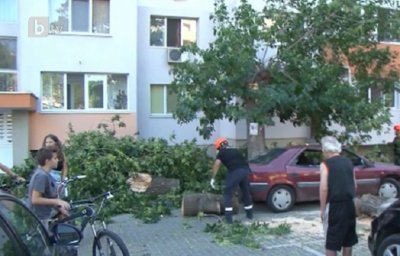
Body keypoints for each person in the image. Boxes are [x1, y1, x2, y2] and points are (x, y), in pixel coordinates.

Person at [319, 136, 358, 256]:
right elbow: (355, 185)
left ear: (325, 150)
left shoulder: (325, 165)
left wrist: (322, 209)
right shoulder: (348, 162)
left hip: (335, 206)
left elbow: (324, 189)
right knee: (348, 240)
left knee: (331, 242)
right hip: (349, 204)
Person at [210, 137, 253, 223]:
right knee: (245, 192)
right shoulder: (235, 150)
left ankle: (228, 219)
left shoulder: (222, 152)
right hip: (246, 171)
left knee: (227, 191)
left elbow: (217, 165)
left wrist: (213, 178)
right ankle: (250, 215)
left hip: (235, 171)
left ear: (219, 146)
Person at [28, 147, 70, 231]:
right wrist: (58, 201)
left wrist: (59, 207)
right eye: (55, 158)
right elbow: (35, 199)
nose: (58, 160)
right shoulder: (41, 176)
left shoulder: (46, 174)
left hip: (44, 215)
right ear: (47, 161)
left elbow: (47, 196)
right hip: (39, 218)